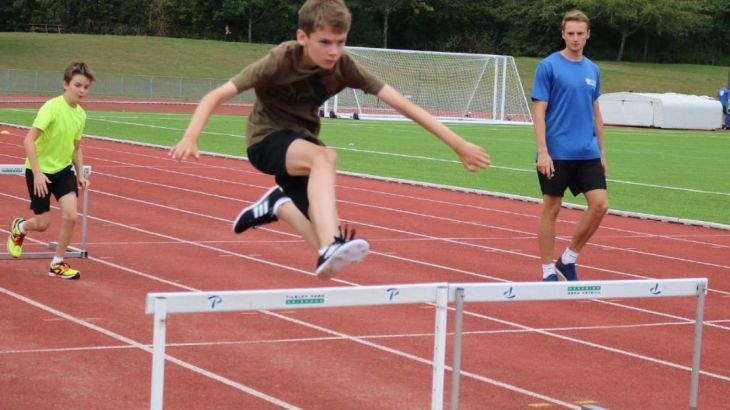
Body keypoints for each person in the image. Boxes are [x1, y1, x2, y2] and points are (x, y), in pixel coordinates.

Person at [169, 0, 490, 280]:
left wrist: (457, 144)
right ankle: (330, 239)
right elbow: (217, 94)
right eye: (325, 42)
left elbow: (402, 104)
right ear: (302, 37)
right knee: (326, 160)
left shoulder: (344, 66)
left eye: (340, 41)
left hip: (303, 144)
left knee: (327, 253)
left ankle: (279, 206)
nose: (334, 51)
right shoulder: (280, 59)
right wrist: (191, 136)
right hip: (265, 140)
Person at [531, 10, 608, 282]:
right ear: (563, 34)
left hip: (587, 151)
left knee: (600, 205)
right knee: (551, 208)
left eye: (580, 34)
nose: (575, 38)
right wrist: (543, 151)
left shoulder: (593, 69)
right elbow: (539, 112)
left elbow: (596, 114)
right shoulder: (548, 66)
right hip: (556, 153)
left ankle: (569, 259)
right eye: (571, 33)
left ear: (587, 35)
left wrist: (601, 152)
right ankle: (546, 269)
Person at [7, 62, 95, 279]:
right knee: (43, 224)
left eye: (86, 87)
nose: (82, 90)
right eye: (78, 85)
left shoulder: (81, 115)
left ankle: (57, 263)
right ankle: (21, 227)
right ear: (65, 84)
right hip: (40, 171)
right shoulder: (51, 108)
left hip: (64, 171)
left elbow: (76, 147)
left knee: (71, 216)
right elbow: (28, 140)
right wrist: (37, 173)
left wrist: (81, 173)